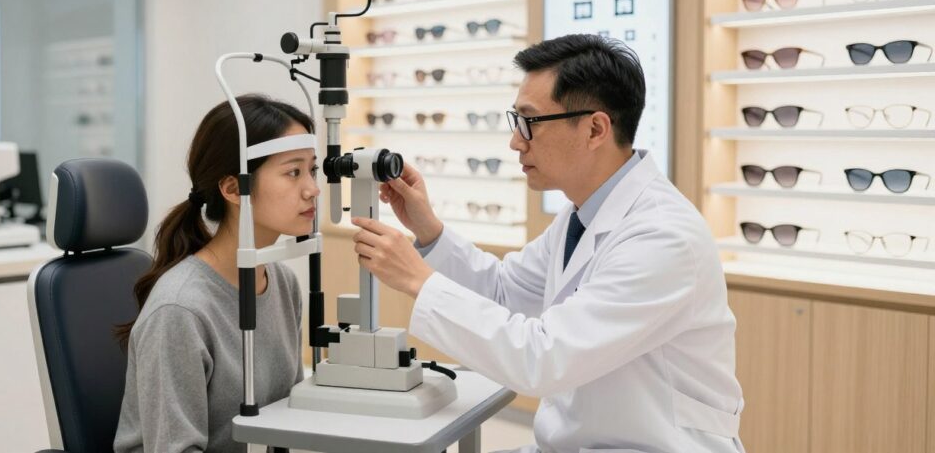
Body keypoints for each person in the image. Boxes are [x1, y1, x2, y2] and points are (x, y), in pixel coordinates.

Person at [351, 34, 745, 453]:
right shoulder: (581, 215)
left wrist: (419, 280)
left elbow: (541, 358)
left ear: (595, 129)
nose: (515, 142)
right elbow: (504, 291)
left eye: (530, 122)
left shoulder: (663, 237)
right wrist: (429, 230)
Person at [114, 95, 319, 453]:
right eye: (293, 172)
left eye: (312, 170)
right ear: (233, 189)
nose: (312, 189)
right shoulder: (180, 310)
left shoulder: (282, 283)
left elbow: (286, 420)